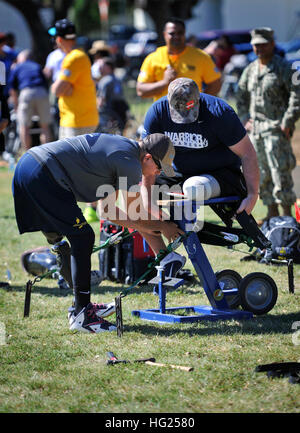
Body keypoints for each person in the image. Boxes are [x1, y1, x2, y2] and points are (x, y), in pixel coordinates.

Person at [12, 132, 184, 333]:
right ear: (147, 158)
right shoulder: (130, 164)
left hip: (29, 165)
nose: (156, 174)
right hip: (43, 173)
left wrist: (152, 226)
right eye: (158, 168)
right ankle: (82, 316)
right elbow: (135, 216)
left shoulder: (124, 150)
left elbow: (107, 211)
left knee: (61, 236)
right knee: (83, 237)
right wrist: (165, 227)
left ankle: (81, 307)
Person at [141, 77, 259, 222]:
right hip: (178, 173)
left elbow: (248, 153)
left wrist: (252, 195)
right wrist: (147, 198)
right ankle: (158, 238)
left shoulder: (218, 112)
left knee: (193, 188)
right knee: (133, 185)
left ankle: (187, 227)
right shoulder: (158, 112)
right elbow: (148, 157)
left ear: (198, 99)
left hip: (218, 175)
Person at [236, 27, 300, 224]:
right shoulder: (250, 69)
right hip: (256, 132)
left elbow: (296, 96)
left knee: (280, 172)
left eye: (264, 44)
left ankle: (287, 215)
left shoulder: (285, 68)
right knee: (261, 173)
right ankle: (272, 213)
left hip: (276, 130)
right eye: (256, 45)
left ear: (272, 44)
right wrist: (246, 119)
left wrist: (287, 121)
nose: (260, 48)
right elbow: (241, 96)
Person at [136, 17, 221, 102]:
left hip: (192, 112)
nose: (176, 36)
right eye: (172, 33)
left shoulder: (201, 56)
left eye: (180, 33)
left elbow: (215, 84)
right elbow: (141, 90)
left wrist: (200, 103)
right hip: (163, 112)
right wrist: (164, 82)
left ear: (185, 34)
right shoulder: (153, 58)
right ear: (165, 34)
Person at [48, 19, 98, 139]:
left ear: (59, 40)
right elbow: (63, 89)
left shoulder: (73, 58)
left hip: (77, 121)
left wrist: (58, 87)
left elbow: (57, 90)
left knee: (71, 158)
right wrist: (66, 88)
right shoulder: (77, 55)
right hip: (77, 120)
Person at [8, 49, 52, 151]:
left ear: (22, 58)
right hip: (42, 92)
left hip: (26, 93)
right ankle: (48, 154)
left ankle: (27, 154)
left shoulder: (17, 67)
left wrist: (16, 106)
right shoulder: (36, 66)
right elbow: (45, 83)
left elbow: (12, 90)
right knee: (45, 127)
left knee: (24, 127)